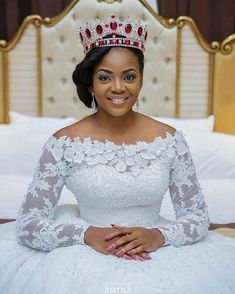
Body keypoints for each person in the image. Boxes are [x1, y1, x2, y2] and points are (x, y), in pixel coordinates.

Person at [0, 13, 235, 294]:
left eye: (129, 76)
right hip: (84, 249)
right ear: (90, 83)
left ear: (141, 79)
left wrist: (159, 235)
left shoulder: (170, 139)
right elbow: (29, 224)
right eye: (104, 77)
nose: (118, 87)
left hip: (156, 248)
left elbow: (196, 217)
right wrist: (87, 235)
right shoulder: (62, 142)